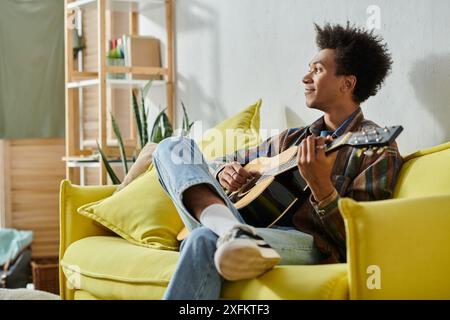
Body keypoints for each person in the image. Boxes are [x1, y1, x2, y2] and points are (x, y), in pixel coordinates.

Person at [153, 22, 403, 300]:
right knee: (172, 147)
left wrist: (323, 190)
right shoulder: (290, 140)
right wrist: (224, 169)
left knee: (202, 239)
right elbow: (222, 159)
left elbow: (363, 239)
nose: (305, 78)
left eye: (317, 70)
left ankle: (230, 232)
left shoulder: (375, 148)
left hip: (309, 243)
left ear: (347, 83)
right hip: (251, 228)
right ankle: (230, 229)